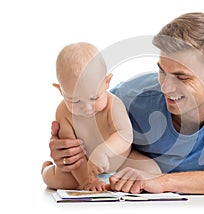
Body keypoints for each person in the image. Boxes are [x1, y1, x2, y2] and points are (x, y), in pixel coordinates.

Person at [48, 12, 204, 194]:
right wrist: (67, 151)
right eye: (162, 71)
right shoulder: (130, 99)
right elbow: (82, 106)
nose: (166, 88)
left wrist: (164, 182)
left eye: (182, 77)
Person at [41, 42, 161, 191]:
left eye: (94, 98)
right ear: (60, 90)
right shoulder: (63, 112)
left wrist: (103, 151)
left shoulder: (113, 105)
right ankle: (45, 168)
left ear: (107, 82)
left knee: (153, 171)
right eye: (75, 100)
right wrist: (87, 181)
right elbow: (73, 153)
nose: (86, 108)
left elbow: (125, 135)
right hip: (83, 168)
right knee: (55, 179)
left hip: (121, 163)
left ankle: (114, 181)